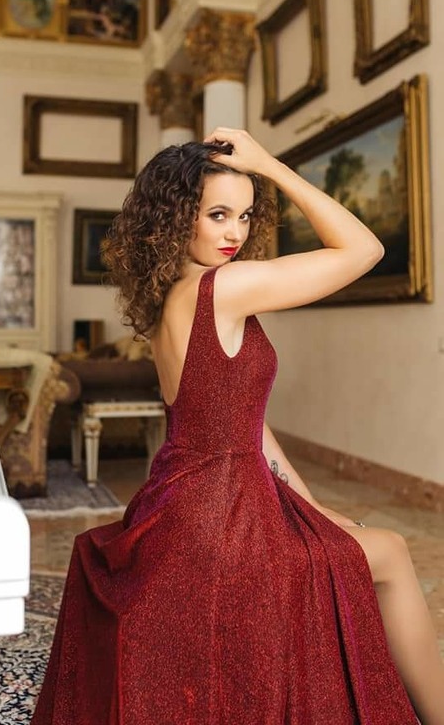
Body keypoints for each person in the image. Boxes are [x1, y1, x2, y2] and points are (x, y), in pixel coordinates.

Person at [31, 128, 444, 724]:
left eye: (246, 215)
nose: (235, 233)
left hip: (185, 509)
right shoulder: (222, 287)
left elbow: (242, 424)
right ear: (177, 217)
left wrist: (315, 509)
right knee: (393, 553)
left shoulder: (170, 297)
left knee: (362, 545)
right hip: (222, 521)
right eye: (218, 214)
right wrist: (270, 165)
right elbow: (364, 250)